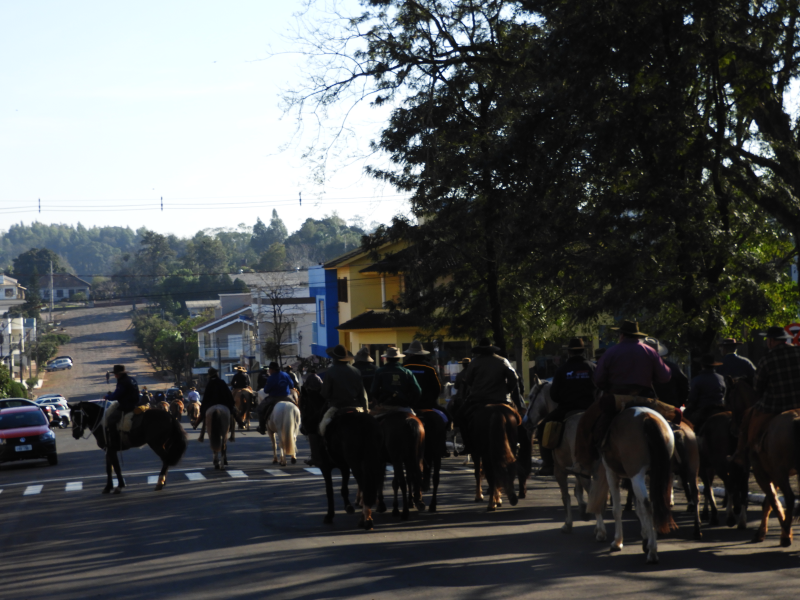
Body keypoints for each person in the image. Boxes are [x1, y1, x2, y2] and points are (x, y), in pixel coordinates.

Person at [575, 320, 675, 469]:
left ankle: (587, 460)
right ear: (637, 336)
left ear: (621, 335)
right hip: (646, 398)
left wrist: (608, 385)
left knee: (586, 421)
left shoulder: (611, 352)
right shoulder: (650, 351)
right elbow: (665, 376)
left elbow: (598, 379)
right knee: (677, 418)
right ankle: (678, 458)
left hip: (617, 398)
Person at [730, 326, 800, 465]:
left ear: (771, 341)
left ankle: (741, 454)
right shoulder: (798, 352)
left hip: (775, 405)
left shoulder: (766, 359)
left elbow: (757, 387)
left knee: (747, 420)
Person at [536, 337, 596, 476]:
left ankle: (548, 464)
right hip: (590, 409)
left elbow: (554, 395)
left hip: (567, 409)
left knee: (542, 428)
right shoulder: (593, 367)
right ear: (583, 351)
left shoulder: (562, 370)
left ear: (569, 352)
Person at [196, 367, 243, 442]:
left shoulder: (209, 384)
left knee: (203, 414)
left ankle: (198, 428)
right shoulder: (222, 382)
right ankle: (240, 424)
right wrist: (231, 403)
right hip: (223, 403)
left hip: (211, 404)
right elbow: (228, 394)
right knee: (234, 412)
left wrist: (203, 406)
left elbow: (206, 397)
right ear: (216, 374)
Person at [104, 365, 144, 449]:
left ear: (119, 374)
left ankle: (114, 441)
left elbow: (116, 395)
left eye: (116, 374)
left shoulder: (122, 382)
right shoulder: (132, 379)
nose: (115, 376)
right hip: (136, 403)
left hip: (126, 406)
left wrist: (107, 397)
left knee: (110, 420)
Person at [643, 337, 689, 408]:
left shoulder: (640, 367)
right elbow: (684, 387)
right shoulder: (673, 367)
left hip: (646, 405)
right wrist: (678, 403)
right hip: (670, 405)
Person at [685, 354, 727, 432]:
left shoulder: (697, 379)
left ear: (702, 365)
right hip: (720, 407)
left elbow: (692, 398)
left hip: (703, 409)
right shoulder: (721, 378)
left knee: (685, 419)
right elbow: (724, 392)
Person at [257, 362, 297, 434]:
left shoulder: (271, 378)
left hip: (274, 398)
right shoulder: (286, 375)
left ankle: (262, 427)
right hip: (287, 397)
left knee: (260, 409)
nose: (269, 370)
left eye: (269, 369)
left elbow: (266, 390)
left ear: (272, 369)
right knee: (297, 407)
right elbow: (291, 385)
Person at [402, 340, 442, 410]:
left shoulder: (403, 367)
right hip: (427, 404)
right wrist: (432, 401)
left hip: (408, 404)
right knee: (447, 418)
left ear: (410, 354)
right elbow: (437, 388)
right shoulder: (430, 367)